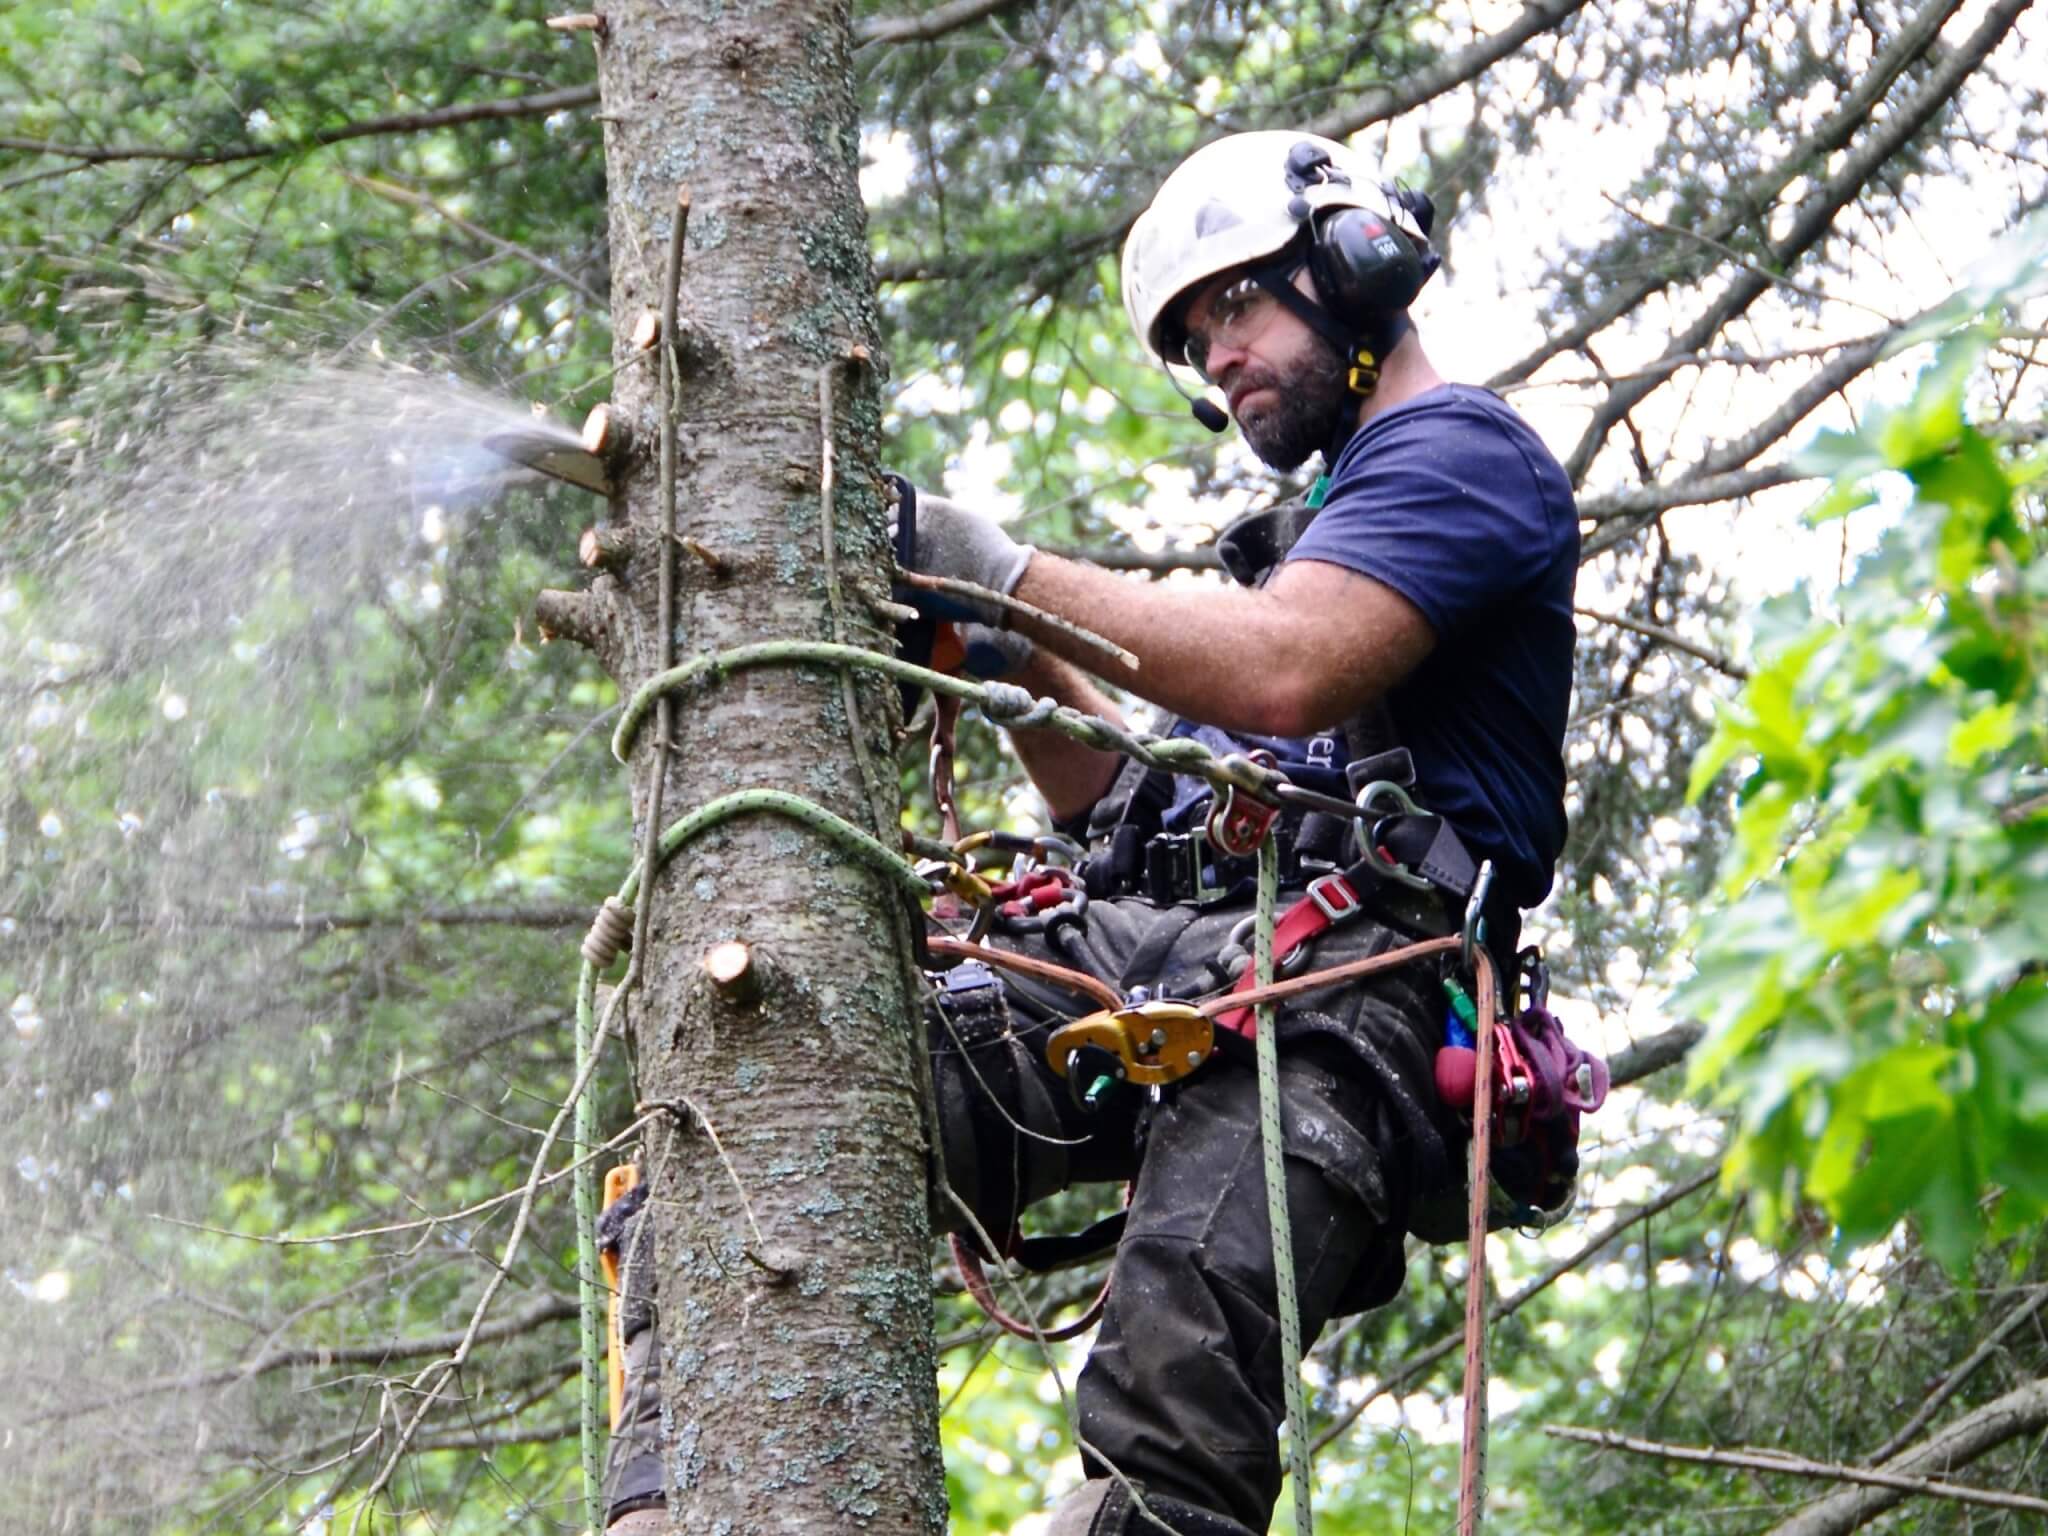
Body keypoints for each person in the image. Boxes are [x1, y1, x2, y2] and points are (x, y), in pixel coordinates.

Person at [602, 128, 1580, 1535]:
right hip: (1195, 951)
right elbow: (1138, 817)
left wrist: (997, 565)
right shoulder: (1319, 532)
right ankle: (656, 1510)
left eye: (1235, 304)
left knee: (1162, 1463)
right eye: (1193, 337)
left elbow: (1284, 664)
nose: (1218, 357)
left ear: (1354, 267)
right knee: (766, 1088)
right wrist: (1007, 655)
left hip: (1343, 1015)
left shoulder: (1461, 461)